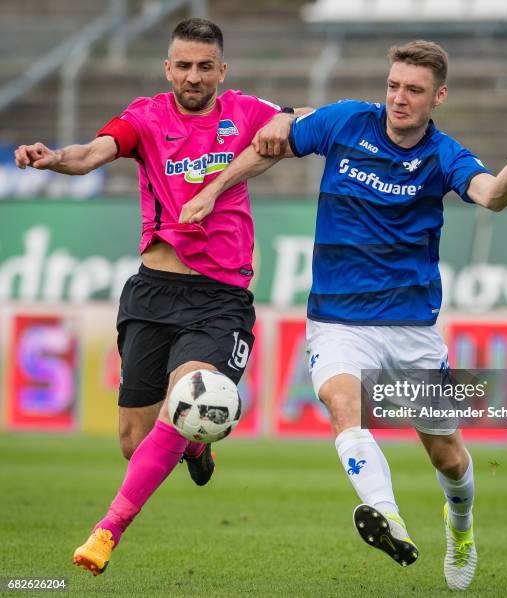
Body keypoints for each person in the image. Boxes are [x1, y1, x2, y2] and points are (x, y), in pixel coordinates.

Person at [180, 40, 507, 591]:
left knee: (447, 457)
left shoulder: (444, 156)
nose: (399, 98)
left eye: (413, 90)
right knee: (343, 404)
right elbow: (272, 143)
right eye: (394, 86)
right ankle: (387, 516)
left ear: (437, 97)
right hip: (338, 321)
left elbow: (490, 197)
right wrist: (213, 189)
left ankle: (460, 526)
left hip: (411, 329)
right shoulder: (346, 121)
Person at [14, 18, 304, 576]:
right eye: (183, 65)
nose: (193, 76)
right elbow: (93, 153)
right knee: (133, 441)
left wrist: (288, 120)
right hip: (152, 293)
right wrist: (54, 158)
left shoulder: (245, 111)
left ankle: (106, 530)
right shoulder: (145, 117)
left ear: (222, 70)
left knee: (192, 394)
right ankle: (196, 445)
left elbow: (303, 121)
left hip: (220, 298)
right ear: (167, 67)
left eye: (204, 66)